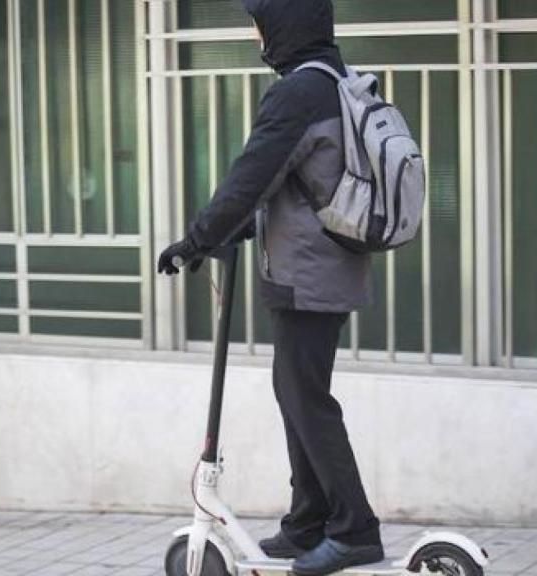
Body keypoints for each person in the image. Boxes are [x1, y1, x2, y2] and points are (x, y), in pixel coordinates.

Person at [156, 0, 382, 574]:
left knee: (305, 397)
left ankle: (355, 529)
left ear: (286, 24)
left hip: (308, 272)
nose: (257, 34)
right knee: (296, 392)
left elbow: (253, 175)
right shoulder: (338, 79)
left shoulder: (298, 93)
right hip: (324, 267)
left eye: (261, 22)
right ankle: (308, 524)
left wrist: (197, 240)